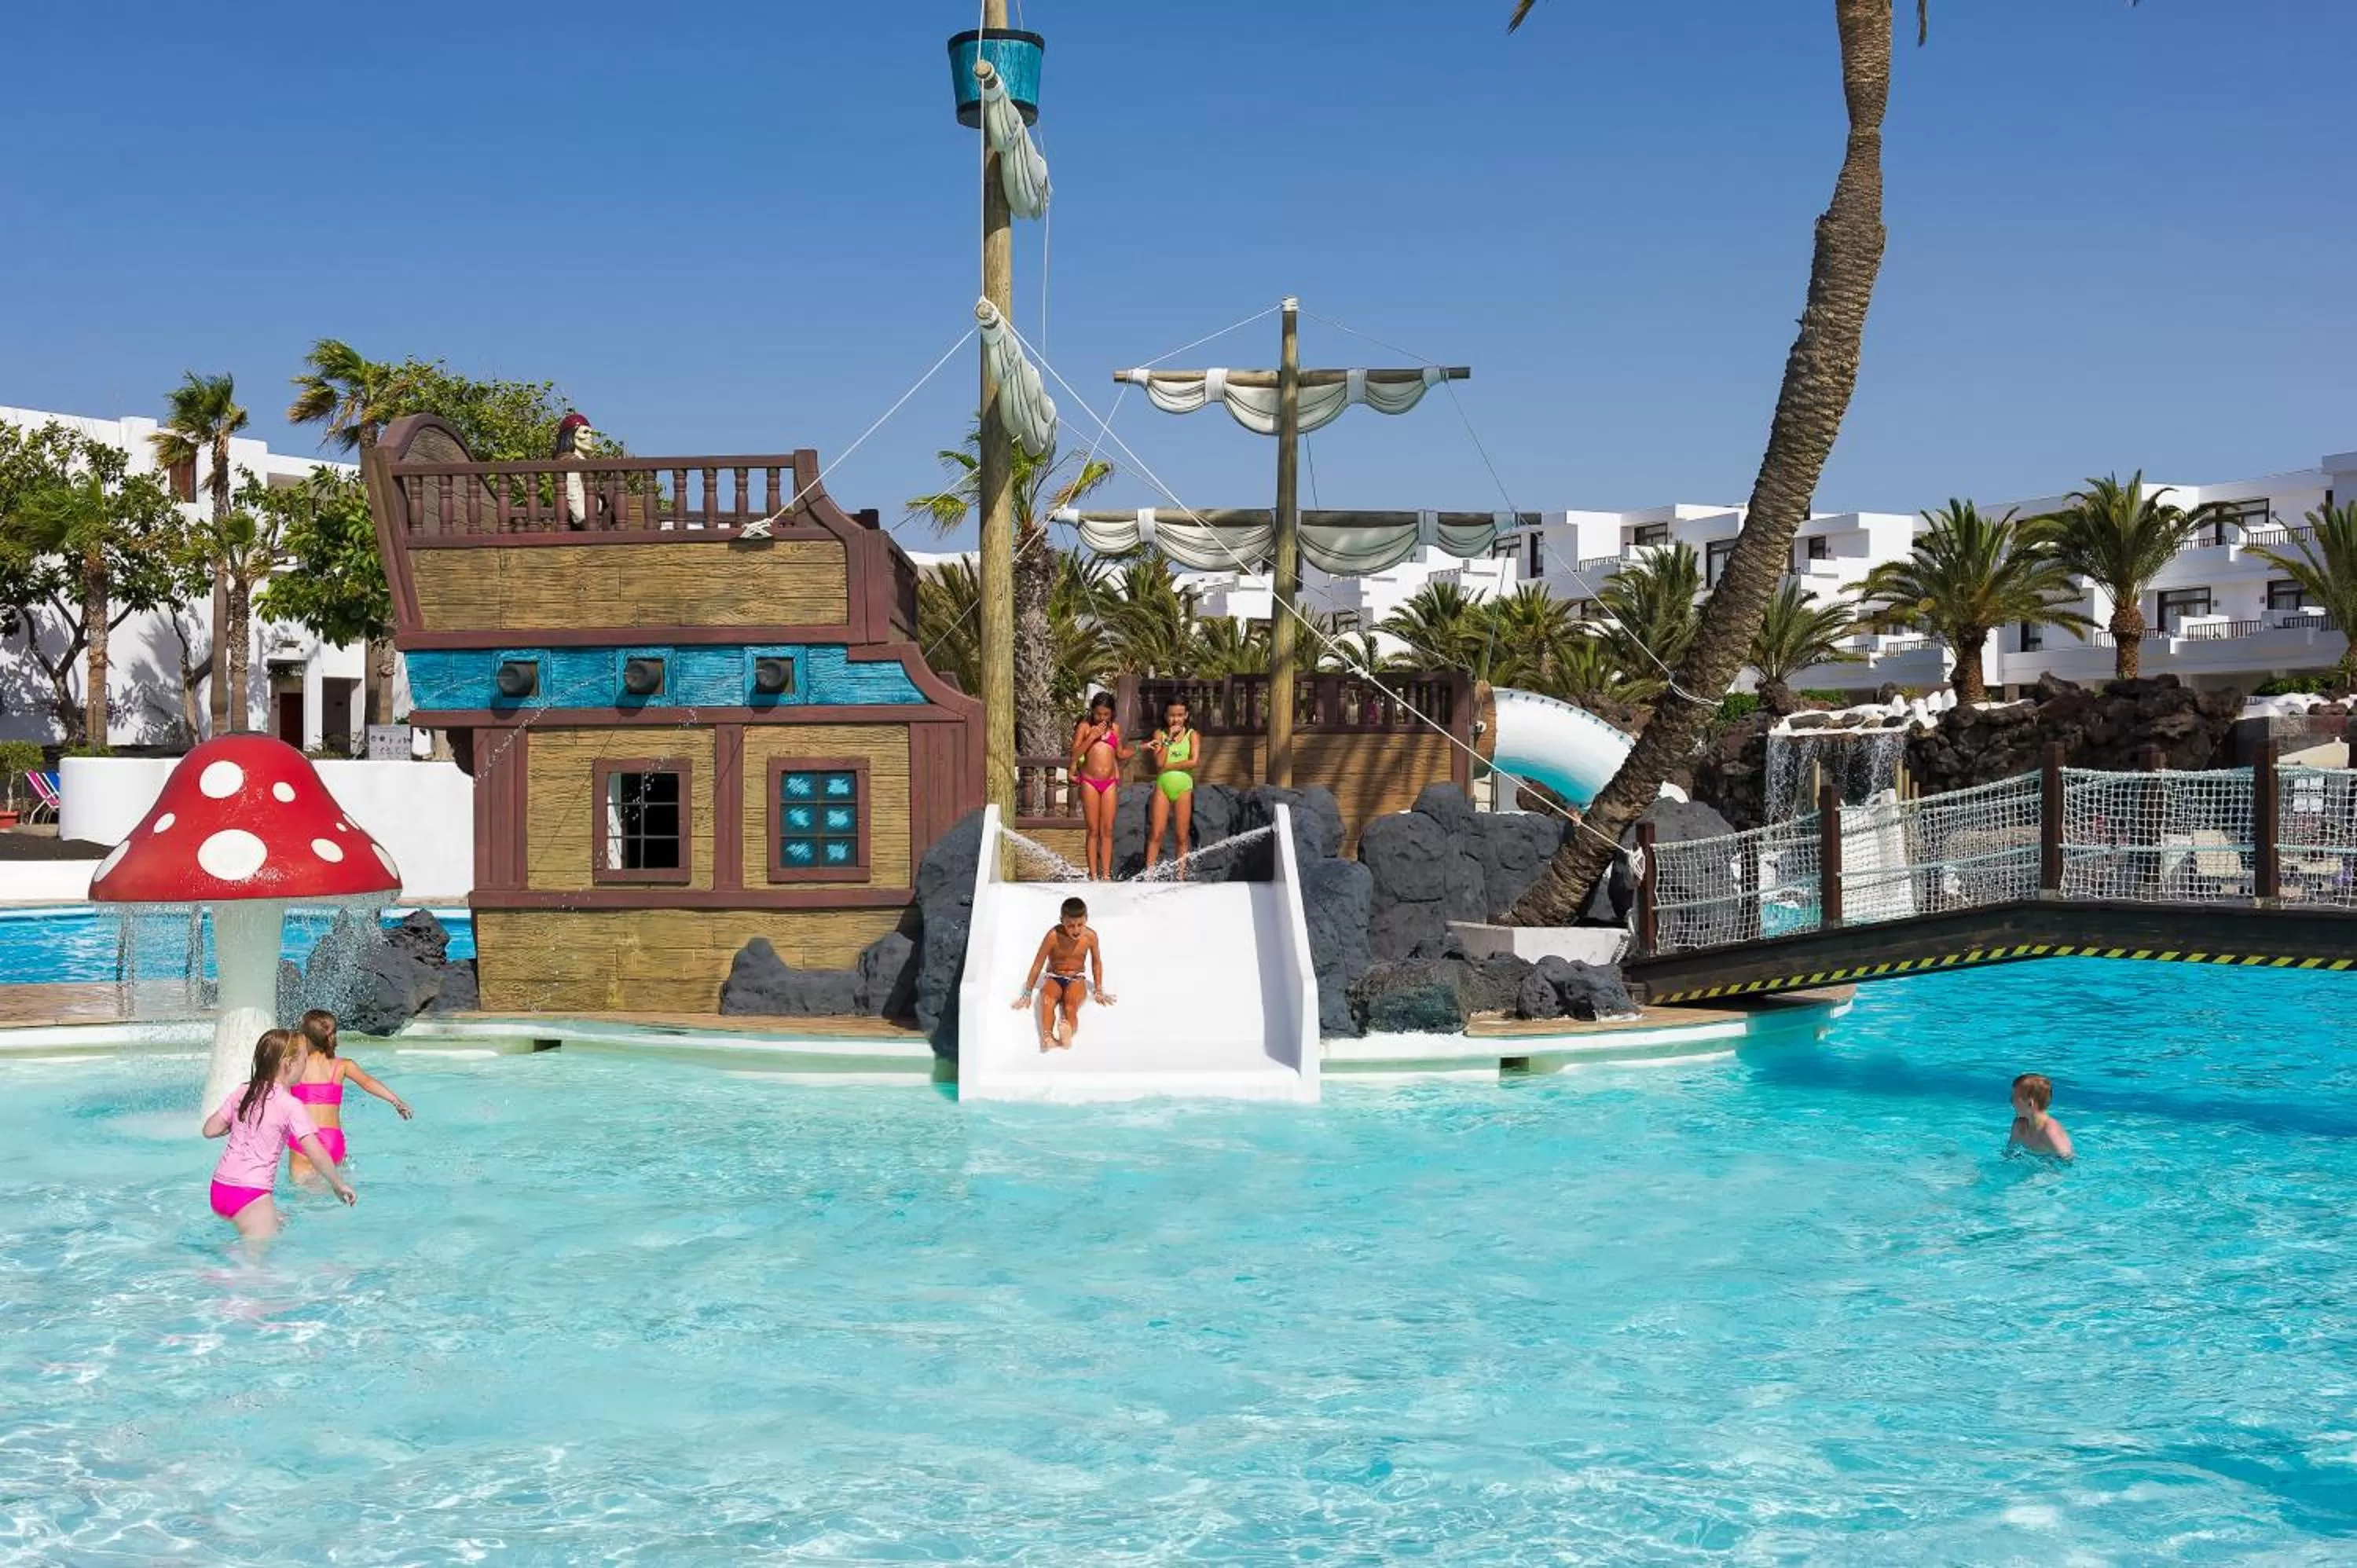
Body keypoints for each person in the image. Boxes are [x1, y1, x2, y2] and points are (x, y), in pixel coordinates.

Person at [203, 1029, 355, 1247]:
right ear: (288, 1065)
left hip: (220, 1190)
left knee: (279, 1223)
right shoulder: (290, 1105)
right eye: (304, 1059)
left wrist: (236, 1123)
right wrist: (338, 1185)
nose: (306, 1065)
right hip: (250, 1194)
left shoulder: (244, 1091)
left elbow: (209, 1130)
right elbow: (316, 1152)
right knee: (254, 1265)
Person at [287, 1009, 414, 1185]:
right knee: (335, 1191)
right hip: (333, 1140)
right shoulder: (343, 1065)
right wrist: (396, 1101)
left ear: (304, 1037)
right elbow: (368, 1083)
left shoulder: (294, 1067)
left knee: (304, 1197)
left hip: (304, 1139)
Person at [1013, 896, 1115, 1051]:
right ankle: (1047, 1037)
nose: (1076, 929)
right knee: (1047, 1001)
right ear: (1062, 921)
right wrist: (1027, 992)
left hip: (1076, 978)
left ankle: (1067, 1031)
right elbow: (1038, 963)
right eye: (1070, 925)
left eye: (1080, 924)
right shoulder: (1053, 936)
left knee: (1070, 1005)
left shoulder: (1090, 937)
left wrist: (1099, 989)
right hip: (1055, 976)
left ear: (1086, 919)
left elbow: (1096, 962)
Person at [1069, 693, 1132, 881]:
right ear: (1092, 712)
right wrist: (1092, 737)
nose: (1102, 718)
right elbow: (1074, 754)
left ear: (1112, 713)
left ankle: (1106, 874)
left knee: (1108, 829)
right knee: (1093, 829)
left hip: (1109, 783)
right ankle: (1093, 874)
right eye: (1098, 714)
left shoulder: (1116, 729)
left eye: (1106, 714)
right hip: (1089, 781)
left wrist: (1140, 749)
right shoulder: (1085, 727)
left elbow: (1118, 753)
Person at [1141, 698, 1201, 877]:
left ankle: (1180, 875)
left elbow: (1194, 762)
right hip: (1163, 787)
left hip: (1183, 787)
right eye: (1172, 716)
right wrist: (1169, 741)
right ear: (1166, 716)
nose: (1176, 720)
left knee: (1181, 835)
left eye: (1180, 715)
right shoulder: (1159, 734)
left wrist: (1170, 766)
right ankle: (1149, 874)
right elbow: (1159, 762)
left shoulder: (1192, 735)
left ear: (1186, 716)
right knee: (1156, 832)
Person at [2006, 1072, 2075, 1161]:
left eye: (2014, 1098)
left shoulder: (2049, 1130)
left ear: (2030, 1103)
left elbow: (2067, 1159)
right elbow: (2009, 1153)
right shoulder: (2019, 1125)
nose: (2011, 1101)